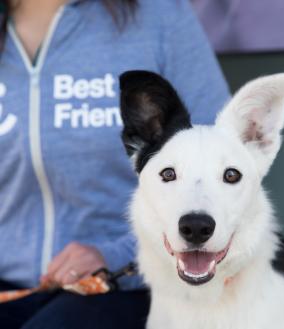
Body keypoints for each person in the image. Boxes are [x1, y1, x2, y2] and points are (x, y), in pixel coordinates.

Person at [0, 0, 230, 327]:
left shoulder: (160, 16)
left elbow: (220, 166)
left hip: (133, 280)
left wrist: (115, 257)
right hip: (12, 284)